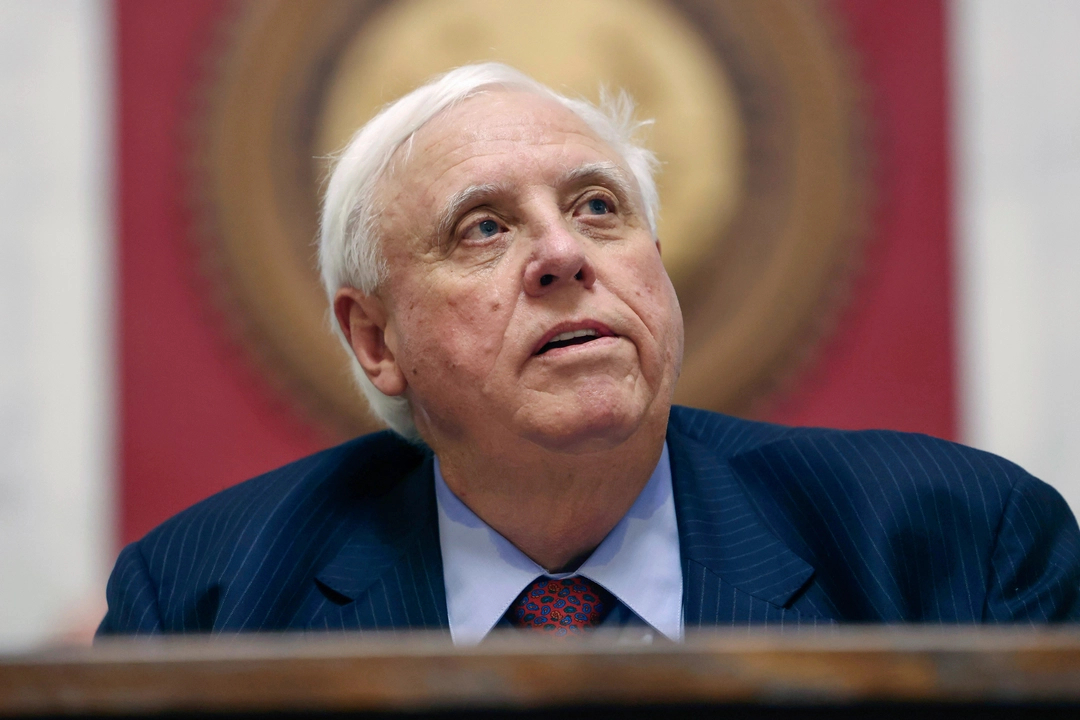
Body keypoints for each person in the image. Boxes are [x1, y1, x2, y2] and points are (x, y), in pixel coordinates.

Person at [98, 63, 1080, 642]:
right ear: (375, 339)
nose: (563, 254)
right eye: (483, 228)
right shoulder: (204, 602)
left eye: (598, 208)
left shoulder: (955, 551)